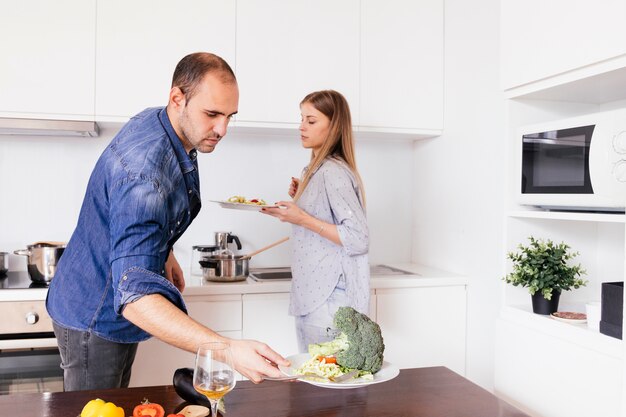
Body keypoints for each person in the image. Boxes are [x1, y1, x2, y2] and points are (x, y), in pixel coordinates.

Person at [46, 52, 288, 391]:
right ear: (177, 98)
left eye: (230, 116)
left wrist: (164, 253)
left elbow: (147, 213)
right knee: (97, 413)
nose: (222, 129)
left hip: (100, 299)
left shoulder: (165, 123)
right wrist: (228, 351)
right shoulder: (144, 175)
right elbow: (135, 298)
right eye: (212, 114)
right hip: (94, 314)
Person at [262, 90, 369, 353]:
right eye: (301, 119)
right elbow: (323, 217)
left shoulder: (332, 172)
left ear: (333, 127)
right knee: (316, 381)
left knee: (323, 384)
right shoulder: (316, 171)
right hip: (317, 293)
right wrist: (305, 197)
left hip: (329, 297)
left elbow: (358, 237)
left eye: (311, 121)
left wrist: (302, 216)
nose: (301, 127)